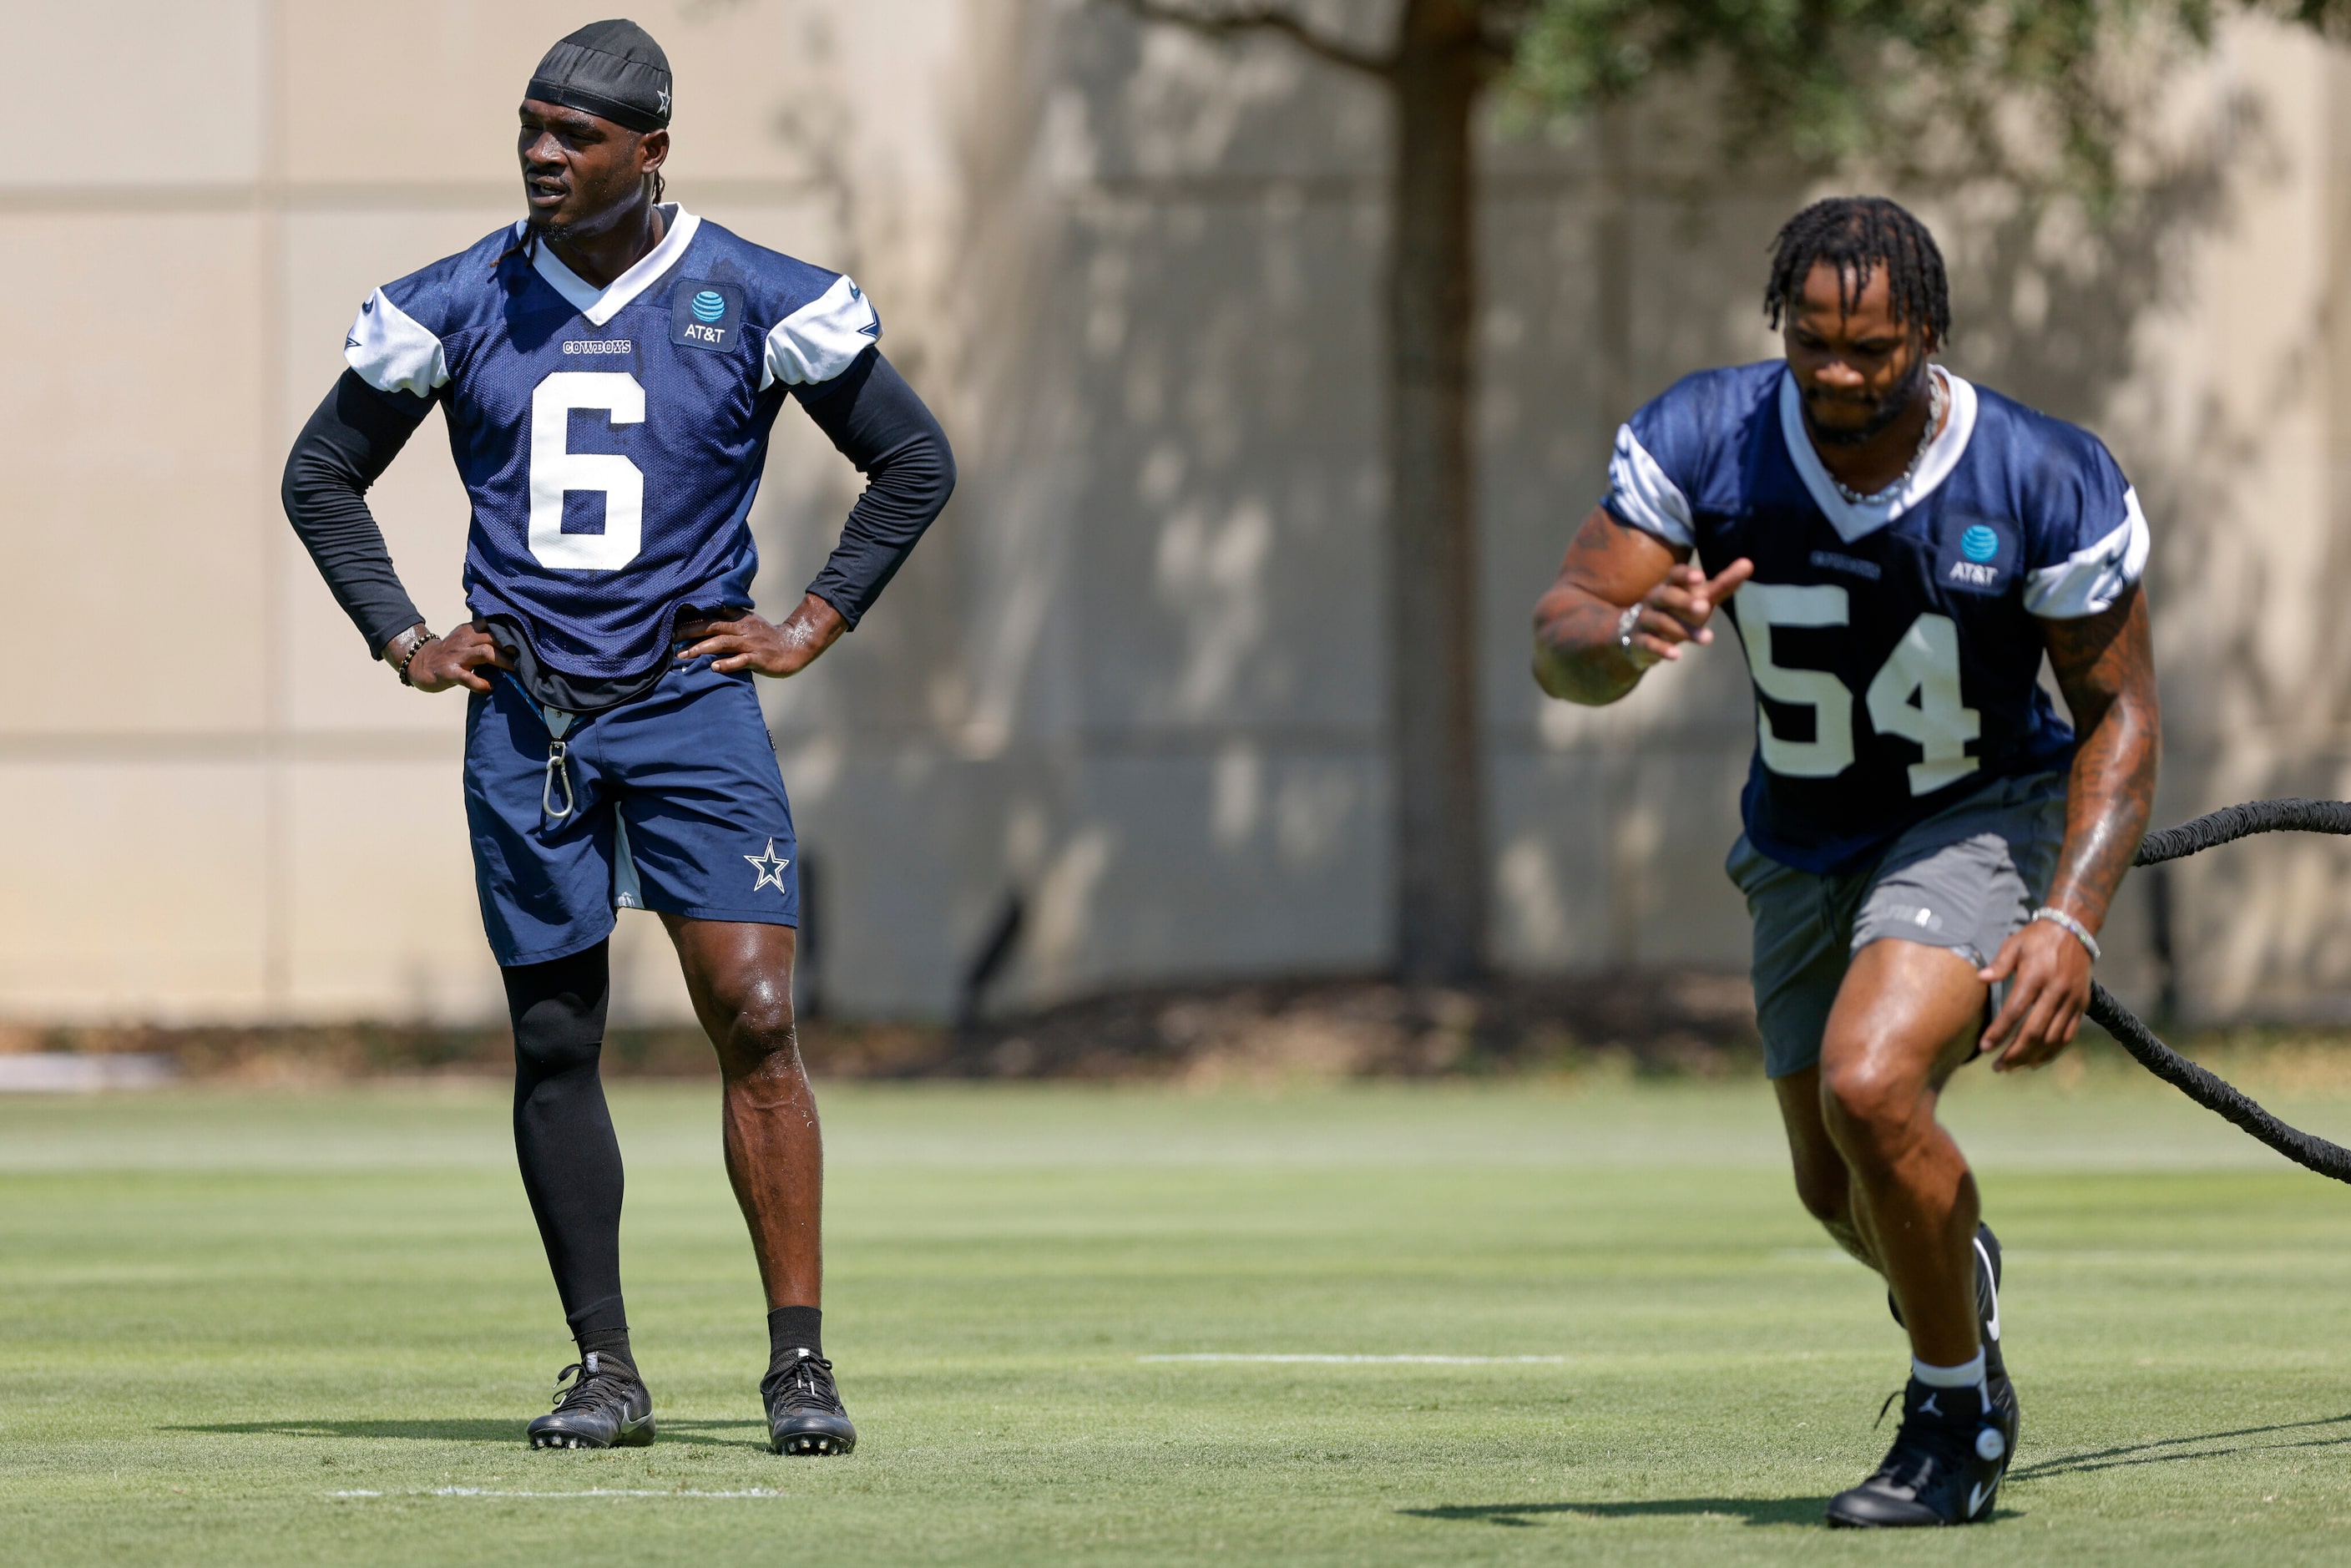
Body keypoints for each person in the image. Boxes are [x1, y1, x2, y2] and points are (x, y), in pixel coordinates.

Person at [281, 18, 954, 1456]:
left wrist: (813, 621)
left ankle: (799, 1365)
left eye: (574, 137)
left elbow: (914, 459)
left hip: (692, 698)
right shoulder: (452, 300)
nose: (542, 156)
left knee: (758, 1014)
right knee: (554, 1034)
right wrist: (408, 636)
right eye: (529, 129)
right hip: (531, 713)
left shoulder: (758, 294)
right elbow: (322, 474)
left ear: (650, 152)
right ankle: (605, 1365)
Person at [1530, 196, 2158, 1526]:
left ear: (1927, 332)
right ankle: (1952, 1273)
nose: (1839, 374)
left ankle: (1956, 1418)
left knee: (1873, 1088)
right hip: (1801, 836)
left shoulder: (2040, 474)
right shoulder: (1710, 435)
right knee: (1837, 1178)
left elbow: (2121, 716)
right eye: (1813, 343)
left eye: (1871, 349)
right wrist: (1622, 640)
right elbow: (1563, 632)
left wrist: (2071, 918)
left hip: (1978, 813)